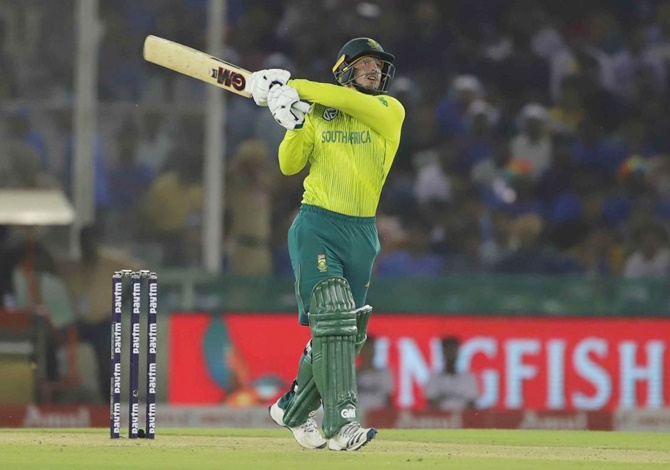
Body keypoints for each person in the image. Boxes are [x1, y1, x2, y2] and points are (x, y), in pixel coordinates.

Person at [246, 37, 404, 450]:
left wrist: (292, 86)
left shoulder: (389, 111)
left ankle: (292, 409)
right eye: (365, 64)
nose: (374, 71)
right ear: (344, 70)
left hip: (362, 232)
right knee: (333, 314)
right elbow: (288, 165)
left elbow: (344, 101)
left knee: (347, 332)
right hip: (317, 223)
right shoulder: (317, 112)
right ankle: (342, 422)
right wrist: (296, 122)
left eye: (378, 66)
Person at [58, 225, 142, 402]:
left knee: (105, 365)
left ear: (96, 243)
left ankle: (107, 406)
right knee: (50, 341)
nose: (86, 246)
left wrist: (122, 301)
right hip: (81, 322)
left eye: (89, 242)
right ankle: (53, 388)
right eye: (83, 242)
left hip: (104, 321)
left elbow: (141, 274)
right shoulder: (74, 265)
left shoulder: (111, 262)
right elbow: (49, 267)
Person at [424, 336, 479, 411]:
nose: (450, 353)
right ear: (443, 352)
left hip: (463, 419)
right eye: (448, 349)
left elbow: (472, 405)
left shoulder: (468, 378)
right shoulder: (433, 378)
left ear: (458, 352)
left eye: (453, 349)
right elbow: (431, 403)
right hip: (441, 420)